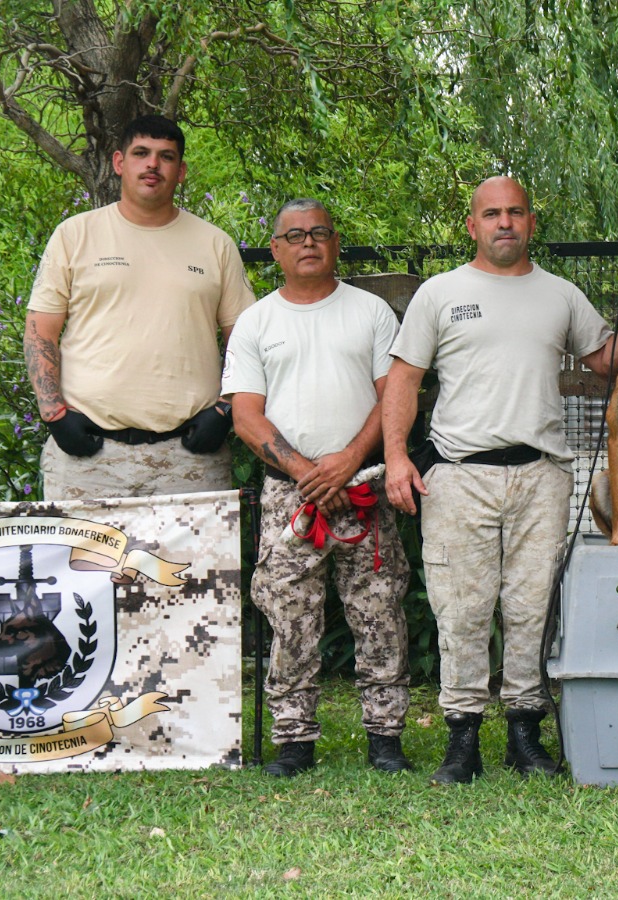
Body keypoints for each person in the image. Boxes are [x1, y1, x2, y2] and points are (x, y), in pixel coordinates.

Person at [382, 176, 618, 784]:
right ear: (472, 225)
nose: (505, 223)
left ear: (531, 222)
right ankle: (462, 738)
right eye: (492, 214)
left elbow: (609, 360)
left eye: (516, 212)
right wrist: (398, 458)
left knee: (530, 607)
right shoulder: (441, 294)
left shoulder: (561, 295)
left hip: (541, 474)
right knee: (461, 609)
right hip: (460, 475)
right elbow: (405, 381)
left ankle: (524, 733)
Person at [223, 199, 412, 777]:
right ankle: (294, 739)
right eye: (295, 235)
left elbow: (393, 397)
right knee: (288, 614)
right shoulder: (257, 321)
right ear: (275, 250)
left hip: (362, 486)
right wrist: (309, 472)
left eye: (320, 233)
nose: (308, 243)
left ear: (335, 243)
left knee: (379, 610)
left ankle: (385, 736)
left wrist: (347, 461)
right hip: (290, 493)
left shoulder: (372, 312)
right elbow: (245, 414)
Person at [24, 114, 255, 500]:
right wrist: (54, 414)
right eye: (141, 153)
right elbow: (40, 331)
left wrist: (224, 411)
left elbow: (246, 340)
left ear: (180, 171)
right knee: (83, 563)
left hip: (190, 459)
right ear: (119, 163)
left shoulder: (216, 244)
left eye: (166, 157)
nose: (152, 164)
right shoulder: (74, 235)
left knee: (189, 566)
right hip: (88, 458)